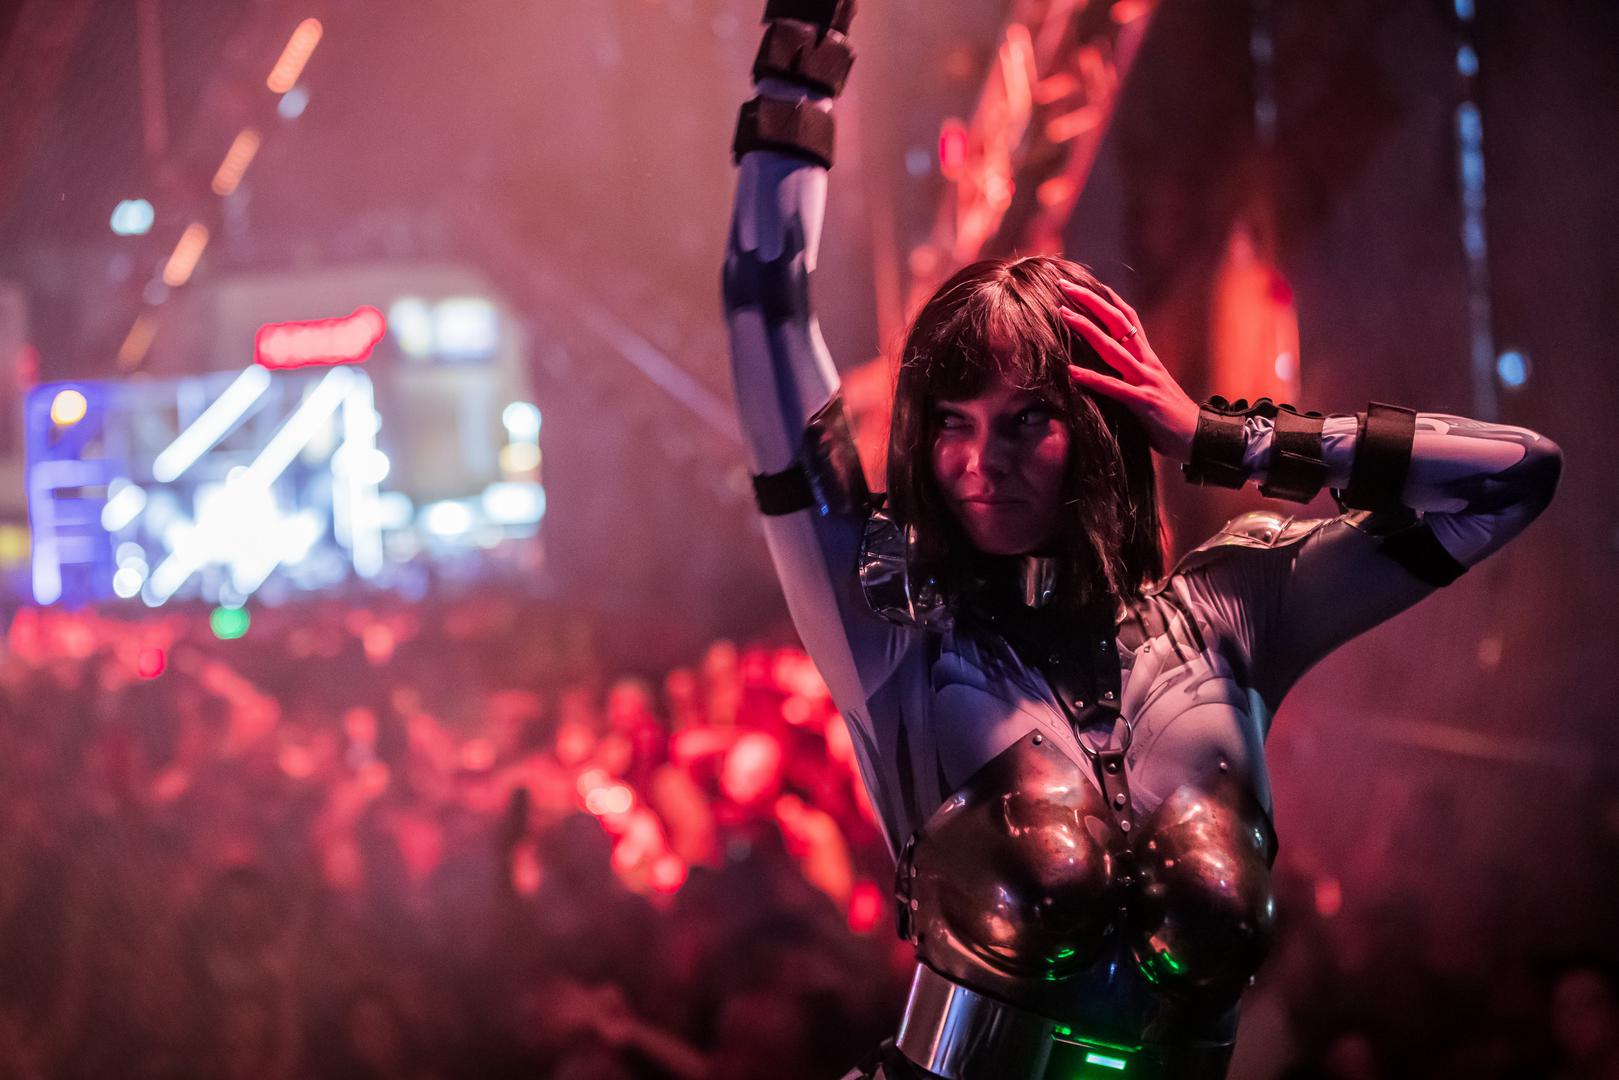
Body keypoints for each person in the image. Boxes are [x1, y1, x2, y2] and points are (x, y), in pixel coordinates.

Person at [721, 3, 1562, 1077]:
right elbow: (762, 305)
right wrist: (802, 55)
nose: (980, 459)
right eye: (950, 423)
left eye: (1026, 420)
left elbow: (1512, 478)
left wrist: (1219, 436)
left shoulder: (1225, 620)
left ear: (1092, 432)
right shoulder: (893, 635)